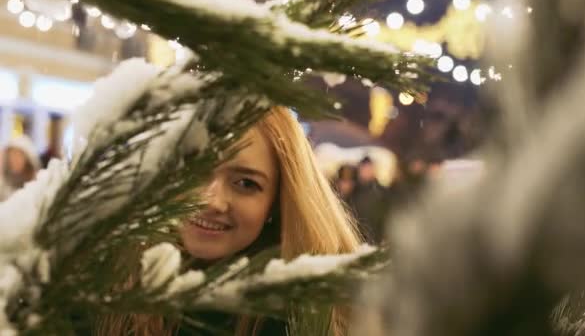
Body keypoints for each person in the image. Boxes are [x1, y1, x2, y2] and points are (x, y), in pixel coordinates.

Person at [96, 107, 363, 336]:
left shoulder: (298, 317)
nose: (211, 201)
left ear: (278, 202)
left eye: (246, 183)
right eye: (195, 171)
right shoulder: (102, 282)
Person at [350, 156, 388, 244]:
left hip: (377, 239)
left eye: (369, 168)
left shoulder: (382, 192)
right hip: (357, 239)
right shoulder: (353, 191)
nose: (366, 172)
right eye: (364, 169)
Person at [0, 136, 41, 202]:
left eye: (18, 155)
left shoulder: (37, 184)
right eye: (12, 155)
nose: (14, 159)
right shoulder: (3, 183)